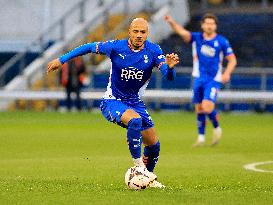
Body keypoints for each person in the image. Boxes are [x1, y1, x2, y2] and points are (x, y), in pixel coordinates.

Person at [47, 18, 179, 188]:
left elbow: (169, 77)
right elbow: (88, 47)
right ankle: (139, 167)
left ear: (147, 33)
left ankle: (147, 179)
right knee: (135, 120)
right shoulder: (116, 47)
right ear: (129, 32)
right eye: (136, 31)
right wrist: (62, 60)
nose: (139, 35)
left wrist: (171, 67)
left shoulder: (154, 51)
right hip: (113, 101)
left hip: (135, 102)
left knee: (154, 145)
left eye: (143, 32)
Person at [165, 13, 237, 147]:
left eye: (212, 23)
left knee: (207, 106)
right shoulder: (196, 38)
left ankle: (217, 128)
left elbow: (232, 60)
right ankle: (201, 137)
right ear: (202, 25)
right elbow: (182, 32)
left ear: (215, 26)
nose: (209, 26)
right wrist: (171, 21)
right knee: (199, 108)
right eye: (207, 23)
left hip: (213, 79)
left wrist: (227, 73)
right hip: (198, 78)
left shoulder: (222, 41)